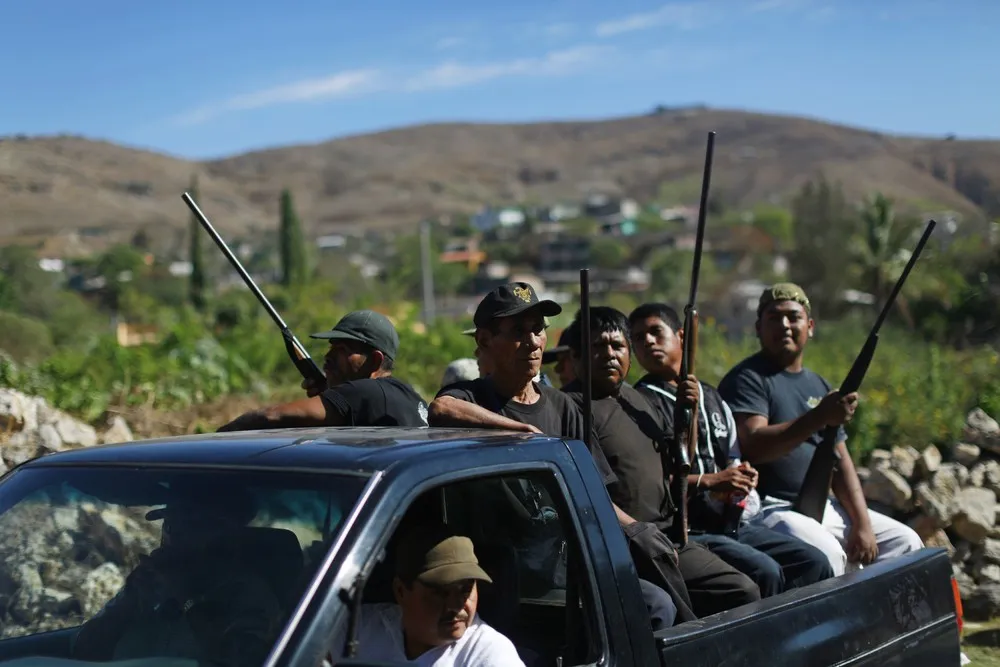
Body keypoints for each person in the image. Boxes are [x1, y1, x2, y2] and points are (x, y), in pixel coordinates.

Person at [428, 283, 681, 628]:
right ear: (485, 340)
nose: (532, 342)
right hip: (504, 578)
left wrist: (636, 529)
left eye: (537, 330)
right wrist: (517, 430)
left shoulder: (565, 408)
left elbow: (591, 491)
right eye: (518, 331)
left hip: (566, 566)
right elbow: (442, 408)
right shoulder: (474, 397)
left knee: (658, 605)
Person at [560, 306, 761, 617]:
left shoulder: (639, 400)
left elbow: (682, 463)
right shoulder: (571, 407)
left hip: (669, 536)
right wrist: (638, 532)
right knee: (678, 614)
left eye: (618, 346)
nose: (610, 354)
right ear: (575, 356)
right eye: (598, 346)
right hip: (626, 546)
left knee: (742, 590)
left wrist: (689, 413)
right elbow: (586, 492)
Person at [627, 303, 834, 597]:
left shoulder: (712, 397)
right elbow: (652, 486)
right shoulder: (640, 403)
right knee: (765, 571)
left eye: (655, 332)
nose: (647, 341)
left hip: (732, 523)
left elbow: (733, 459)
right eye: (637, 337)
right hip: (691, 530)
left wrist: (741, 478)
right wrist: (711, 483)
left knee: (814, 562)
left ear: (681, 336)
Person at [717, 283, 923, 576]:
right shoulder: (748, 379)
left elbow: (840, 459)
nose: (785, 325)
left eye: (793, 317)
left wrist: (862, 524)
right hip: (772, 509)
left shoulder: (819, 385)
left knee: (906, 543)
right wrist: (818, 416)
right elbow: (754, 445)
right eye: (774, 318)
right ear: (758, 328)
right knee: (828, 555)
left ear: (810, 326)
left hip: (821, 504)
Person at [329, 524, 525, 665]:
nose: (455, 605)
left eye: (465, 590)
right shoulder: (359, 627)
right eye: (440, 592)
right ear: (400, 591)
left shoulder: (489, 655)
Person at [218, 310, 428, 431]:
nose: (328, 356)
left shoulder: (365, 392)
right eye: (331, 347)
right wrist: (330, 395)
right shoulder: (409, 396)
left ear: (374, 361)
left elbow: (271, 417)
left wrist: (217, 438)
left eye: (342, 350)